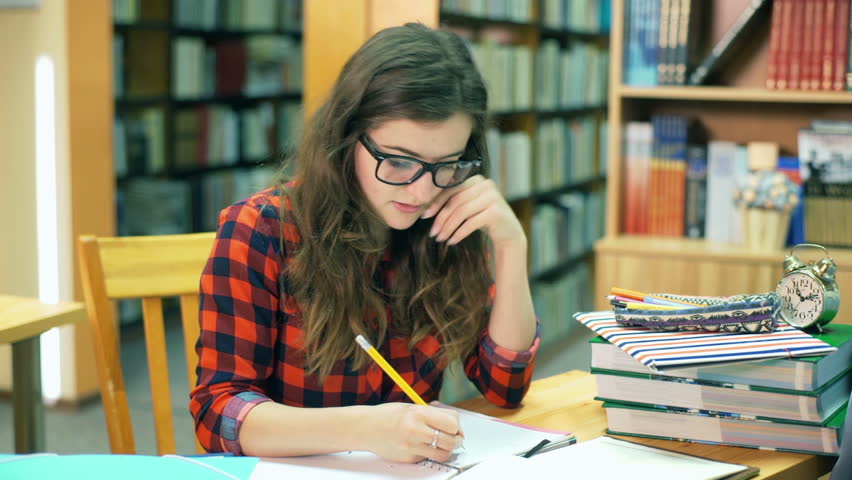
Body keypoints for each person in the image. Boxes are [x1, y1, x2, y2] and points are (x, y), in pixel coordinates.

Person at [190, 22, 539, 464]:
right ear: (346, 136)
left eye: (447, 163)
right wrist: (364, 428)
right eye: (397, 162)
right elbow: (217, 414)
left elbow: (504, 384)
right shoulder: (261, 229)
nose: (421, 192)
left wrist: (512, 246)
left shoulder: (449, 217)